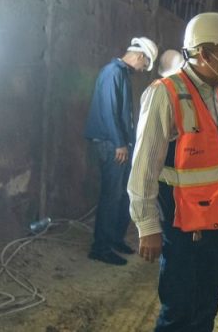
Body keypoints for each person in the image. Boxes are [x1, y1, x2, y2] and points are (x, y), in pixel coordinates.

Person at [127, 13, 218, 331]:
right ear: (204, 53)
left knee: (206, 310)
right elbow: (144, 165)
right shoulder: (165, 93)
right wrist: (147, 224)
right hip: (184, 229)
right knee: (178, 314)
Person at [84, 36, 157, 265]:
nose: (143, 69)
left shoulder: (122, 73)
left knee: (124, 194)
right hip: (111, 145)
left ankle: (115, 239)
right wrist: (119, 143)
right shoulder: (112, 72)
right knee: (111, 196)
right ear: (140, 55)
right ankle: (100, 247)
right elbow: (109, 110)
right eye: (145, 64)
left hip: (119, 144)